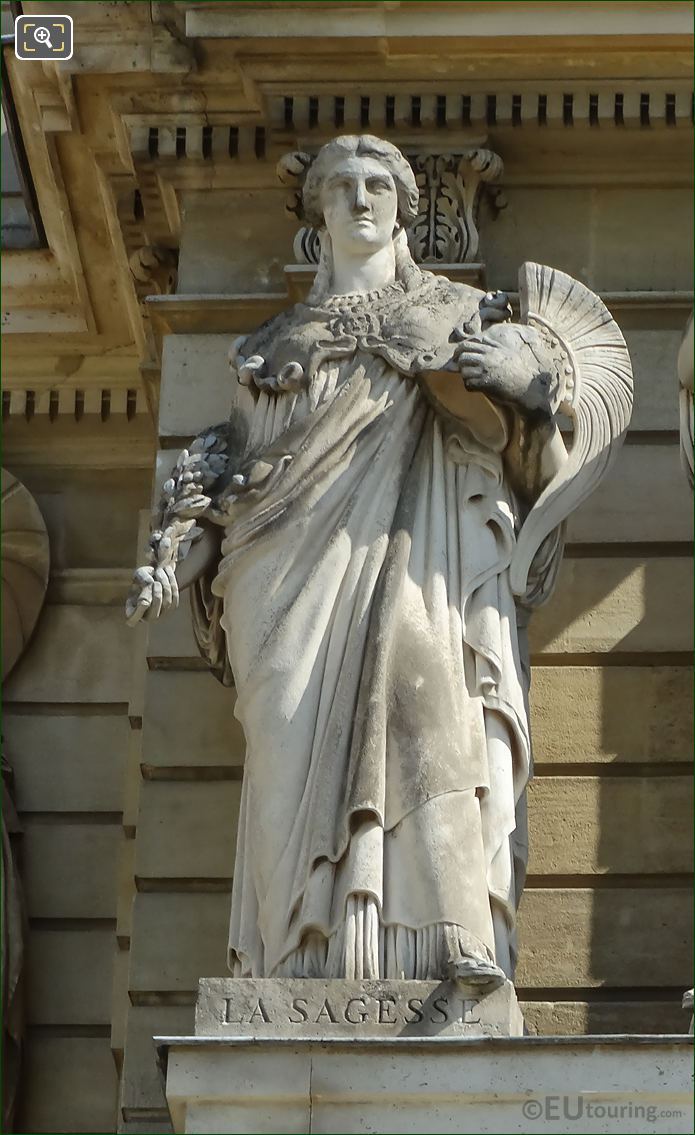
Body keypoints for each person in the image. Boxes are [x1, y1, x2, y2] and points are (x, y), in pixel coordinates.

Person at [126, 135, 632, 988]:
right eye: (340, 188)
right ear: (316, 214)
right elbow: (235, 481)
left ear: (403, 210)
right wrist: (179, 554)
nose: (360, 200)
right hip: (279, 577)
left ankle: (440, 943)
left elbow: (535, 487)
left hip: (415, 562)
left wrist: (531, 401)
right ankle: (292, 964)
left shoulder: (456, 320)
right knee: (285, 753)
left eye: (377, 187)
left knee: (424, 708)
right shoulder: (269, 349)